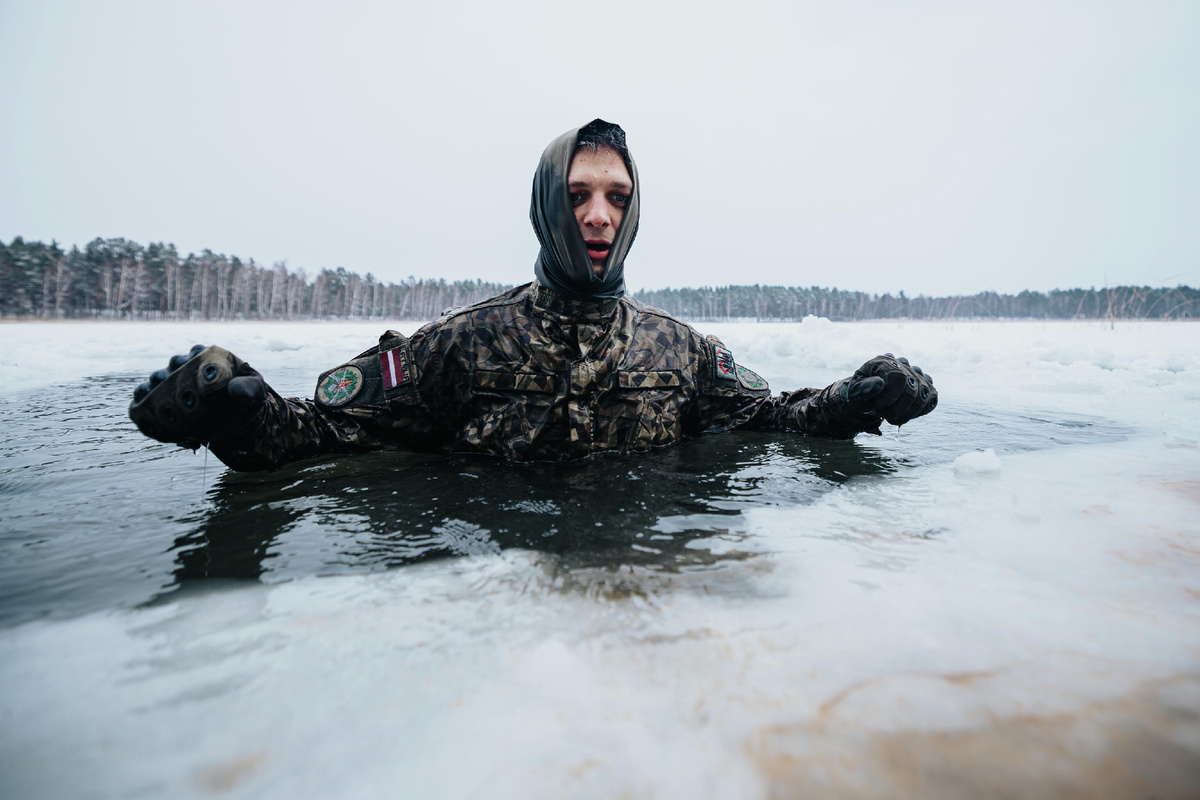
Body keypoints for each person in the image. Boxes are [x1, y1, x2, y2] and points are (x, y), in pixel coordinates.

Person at [129, 119, 937, 472]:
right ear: (549, 204)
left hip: (644, 606)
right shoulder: (461, 344)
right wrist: (241, 412)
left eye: (617, 196)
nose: (598, 215)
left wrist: (851, 399)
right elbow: (321, 436)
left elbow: (772, 419)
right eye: (580, 193)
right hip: (494, 616)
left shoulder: (679, 350)